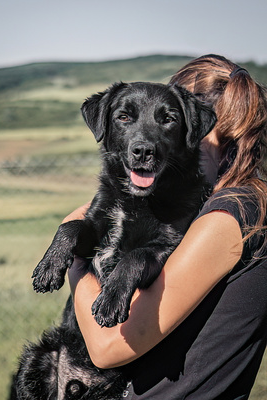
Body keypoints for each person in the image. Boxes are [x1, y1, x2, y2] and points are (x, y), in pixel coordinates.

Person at [66, 54, 267, 399]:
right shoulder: (233, 205)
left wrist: (75, 259)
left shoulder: (228, 217)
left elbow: (106, 346)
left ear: (197, 128)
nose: (149, 138)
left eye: (167, 121)